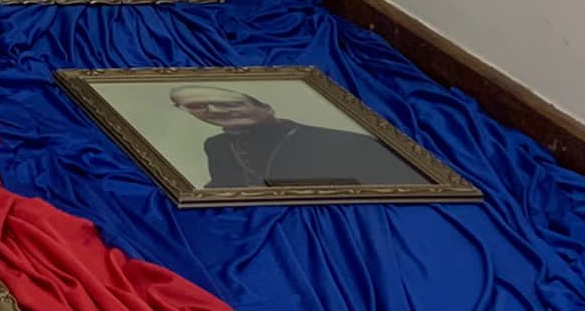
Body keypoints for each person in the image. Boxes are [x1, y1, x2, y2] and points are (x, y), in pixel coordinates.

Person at [170, 85, 429, 188]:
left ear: (265, 107)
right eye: (198, 107)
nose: (215, 111)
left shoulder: (351, 144)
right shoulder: (216, 146)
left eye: (230, 104)